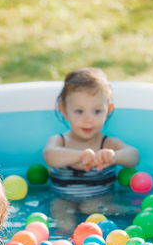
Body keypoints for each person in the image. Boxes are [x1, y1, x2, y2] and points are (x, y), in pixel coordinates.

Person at [43, 67, 140, 198]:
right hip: (63, 203)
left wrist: (114, 157)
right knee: (60, 211)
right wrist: (80, 156)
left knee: (96, 207)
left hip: (101, 203)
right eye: (79, 111)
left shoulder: (108, 144)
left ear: (108, 110)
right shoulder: (60, 141)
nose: (88, 120)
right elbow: (49, 155)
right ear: (64, 110)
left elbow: (134, 156)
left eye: (97, 111)